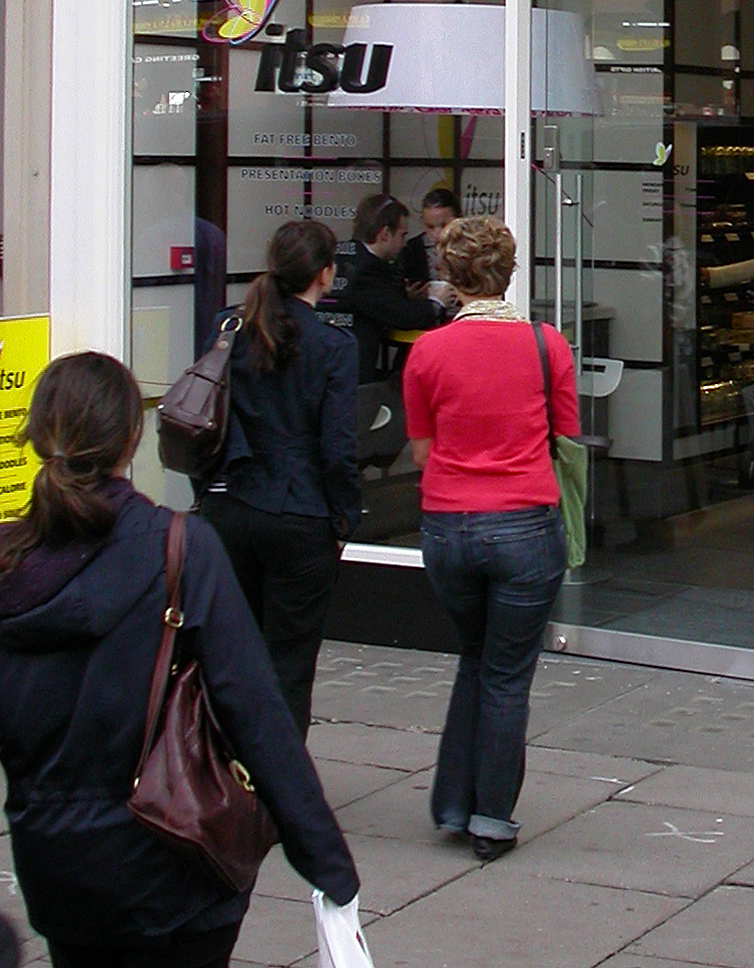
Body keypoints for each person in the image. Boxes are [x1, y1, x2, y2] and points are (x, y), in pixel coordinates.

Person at [0, 353, 359, 968]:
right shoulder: (181, 548)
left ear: (38, 437)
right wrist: (326, 860)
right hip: (179, 859)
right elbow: (254, 711)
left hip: (58, 872)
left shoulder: (10, 565)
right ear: (133, 438)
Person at [402, 217, 576, 863]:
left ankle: (453, 802)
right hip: (525, 523)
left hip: (448, 524)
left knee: (475, 658)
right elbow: (566, 435)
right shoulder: (545, 345)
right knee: (506, 675)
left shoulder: (427, 351)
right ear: (510, 270)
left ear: (451, 277)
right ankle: (491, 817)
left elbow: (421, 452)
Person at [197, 218, 360, 736]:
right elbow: (337, 450)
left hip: (230, 505)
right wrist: (344, 517)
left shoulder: (230, 328)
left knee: (231, 658)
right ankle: (278, 792)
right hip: (300, 513)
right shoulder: (333, 347)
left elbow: (205, 418)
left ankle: (224, 780)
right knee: (289, 666)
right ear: (325, 274)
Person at [322, 191, 450, 383]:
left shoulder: (345, 256)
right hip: (349, 375)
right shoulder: (367, 270)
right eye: (402, 235)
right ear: (384, 234)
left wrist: (402, 296)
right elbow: (403, 316)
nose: (404, 244)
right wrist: (437, 300)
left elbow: (374, 303)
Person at [399, 187, 460, 290]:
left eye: (444, 226)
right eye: (430, 227)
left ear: (459, 220)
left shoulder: (473, 249)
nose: (437, 234)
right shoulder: (411, 250)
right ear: (422, 222)